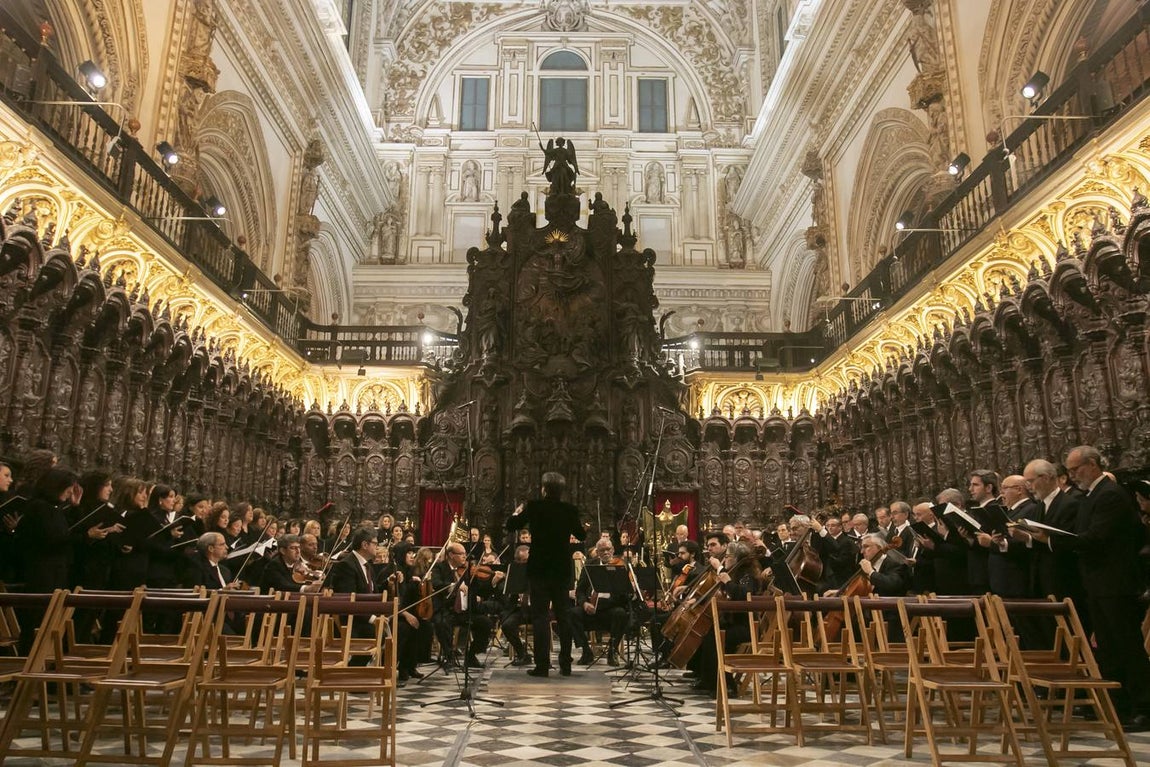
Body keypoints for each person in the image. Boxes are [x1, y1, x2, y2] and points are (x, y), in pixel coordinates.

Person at [1052, 446, 1150, 730]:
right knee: (1108, 646)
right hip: (1097, 582)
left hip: (1115, 582)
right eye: (1069, 471)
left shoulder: (1110, 494)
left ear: (1093, 464)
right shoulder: (1091, 495)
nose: (1072, 475)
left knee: (1127, 644)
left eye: (1076, 469)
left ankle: (1144, 706)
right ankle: (1118, 705)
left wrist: (1054, 539)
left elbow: (1096, 538)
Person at [505, 471, 587, 677]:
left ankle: (542, 665)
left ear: (543, 489)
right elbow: (581, 535)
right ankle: (565, 664)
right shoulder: (569, 510)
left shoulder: (534, 507)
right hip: (561, 569)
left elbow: (511, 526)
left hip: (539, 568)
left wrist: (516, 513)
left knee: (540, 617)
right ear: (561, 491)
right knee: (564, 616)